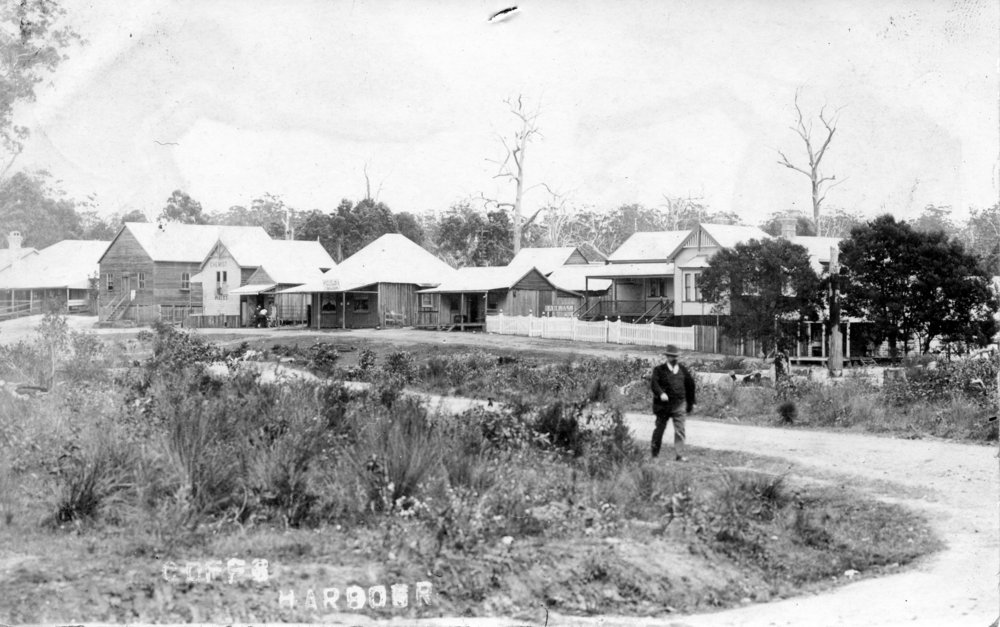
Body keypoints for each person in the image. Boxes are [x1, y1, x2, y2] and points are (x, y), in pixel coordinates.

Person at [650, 344, 696, 461]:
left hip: (679, 404)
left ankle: (679, 455)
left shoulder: (683, 370)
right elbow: (654, 384)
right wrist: (661, 393)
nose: (673, 358)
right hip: (663, 406)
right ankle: (654, 455)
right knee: (659, 430)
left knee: (680, 430)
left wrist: (691, 403)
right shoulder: (659, 370)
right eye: (671, 356)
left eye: (675, 356)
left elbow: (690, 386)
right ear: (667, 357)